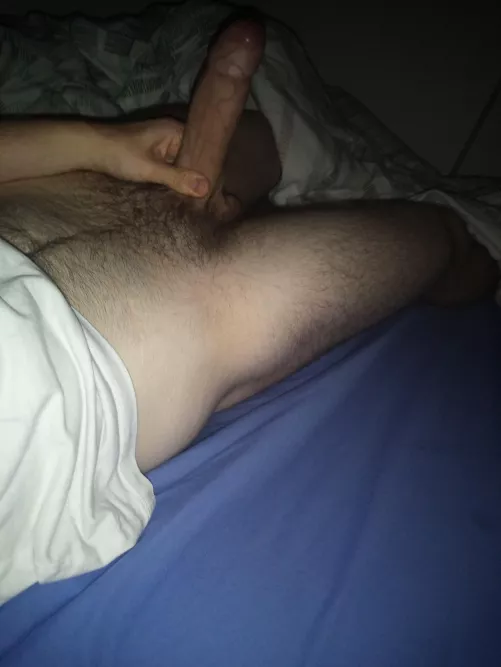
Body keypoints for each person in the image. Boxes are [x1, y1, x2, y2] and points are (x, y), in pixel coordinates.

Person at [0, 18, 498, 602]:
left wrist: (98, 143)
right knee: (447, 240)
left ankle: (220, 189)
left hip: (26, 209)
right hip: (102, 353)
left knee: (222, 150)